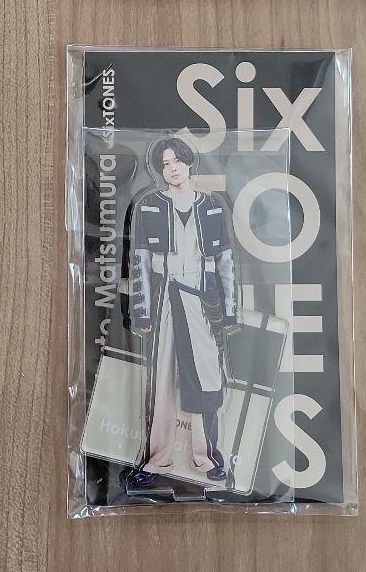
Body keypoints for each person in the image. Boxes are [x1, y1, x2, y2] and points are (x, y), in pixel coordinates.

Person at [129, 137, 238, 482]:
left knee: (206, 378)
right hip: (165, 294)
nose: (172, 168)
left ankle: (207, 458)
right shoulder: (149, 205)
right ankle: (155, 461)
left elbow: (226, 262)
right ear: (159, 170)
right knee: (161, 381)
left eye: (177, 161)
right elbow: (140, 262)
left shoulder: (212, 206)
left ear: (189, 163)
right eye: (165, 163)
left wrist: (230, 310)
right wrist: (142, 311)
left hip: (202, 298)